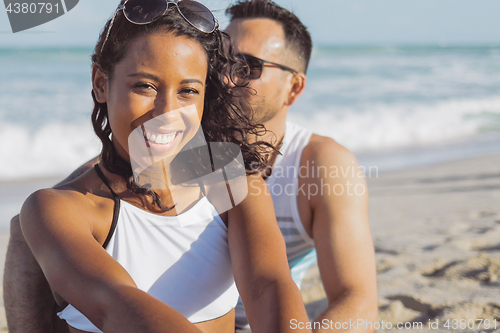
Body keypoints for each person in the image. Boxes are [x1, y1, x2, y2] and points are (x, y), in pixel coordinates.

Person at [6, 1, 311, 332]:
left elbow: (270, 284)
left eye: (188, 91)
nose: (167, 112)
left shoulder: (232, 181)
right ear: (100, 83)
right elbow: (117, 307)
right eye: (145, 86)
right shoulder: (60, 209)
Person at [224, 1, 378, 331]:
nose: (224, 77)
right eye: (218, 60)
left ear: (293, 88)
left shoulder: (318, 165)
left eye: (247, 66)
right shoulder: (180, 144)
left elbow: (358, 301)